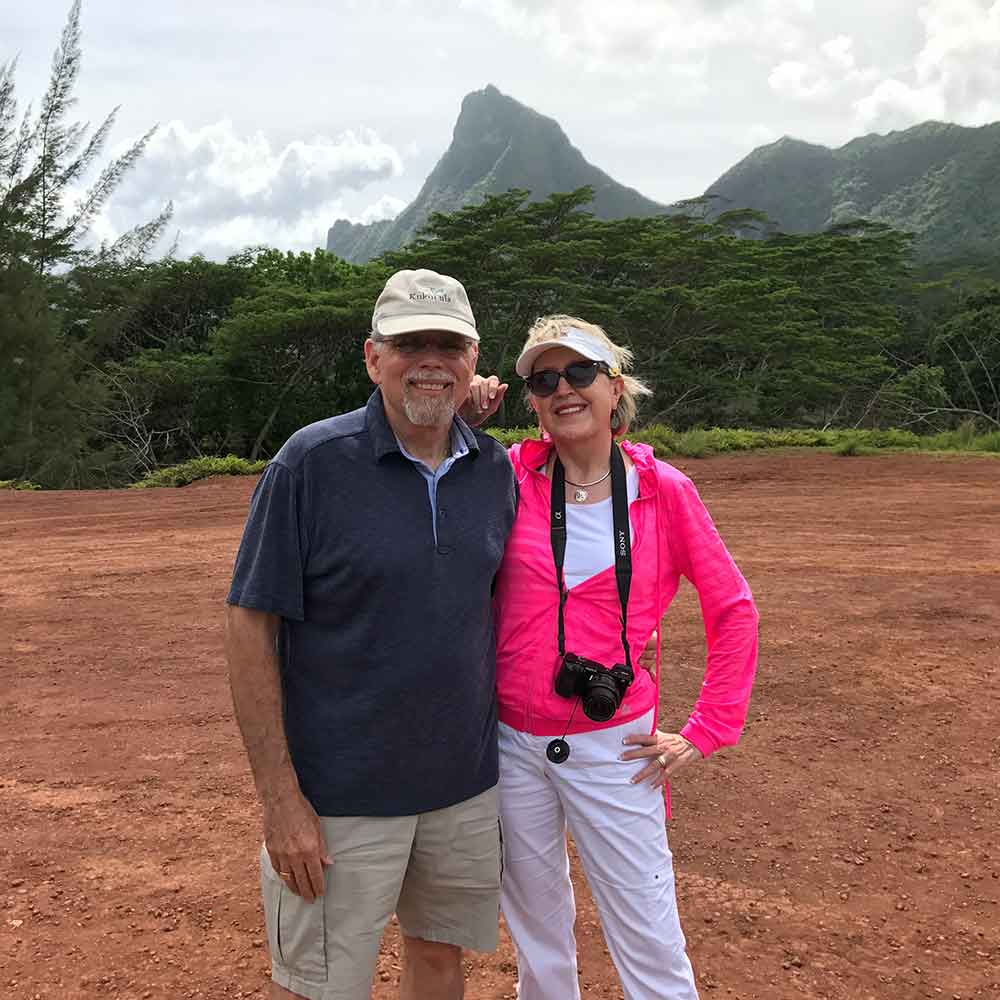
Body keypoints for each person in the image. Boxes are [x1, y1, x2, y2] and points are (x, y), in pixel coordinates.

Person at [224, 269, 517, 1000]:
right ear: (371, 357)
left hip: (463, 787)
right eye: (408, 343)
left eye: (448, 345)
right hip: (338, 796)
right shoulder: (310, 465)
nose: (430, 359)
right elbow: (249, 623)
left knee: (441, 958)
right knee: (324, 984)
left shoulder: (494, 469)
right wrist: (281, 801)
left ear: (474, 359)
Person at [469, 314, 759, 1000]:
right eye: (544, 378)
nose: (562, 389)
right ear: (532, 400)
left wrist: (707, 728)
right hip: (512, 740)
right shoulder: (508, 474)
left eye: (578, 372)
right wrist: (464, 419)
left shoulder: (664, 492)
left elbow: (732, 609)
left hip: (617, 744)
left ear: (613, 386)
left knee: (648, 933)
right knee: (537, 937)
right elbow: (430, 473)